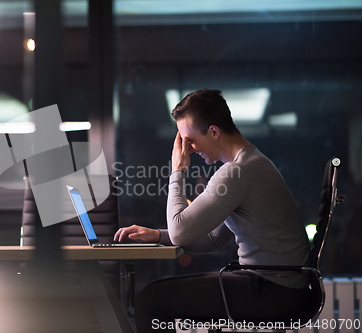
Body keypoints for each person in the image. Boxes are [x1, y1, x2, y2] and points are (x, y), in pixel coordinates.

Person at [114, 89, 312, 333]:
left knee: (150, 301)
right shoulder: (249, 163)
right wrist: (157, 235)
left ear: (214, 131)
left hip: (274, 291)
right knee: (155, 297)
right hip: (281, 287)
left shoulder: (236, 172)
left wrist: (178, 170)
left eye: (189, 140)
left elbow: (180, 233)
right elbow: (214, 239)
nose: (189, 149)